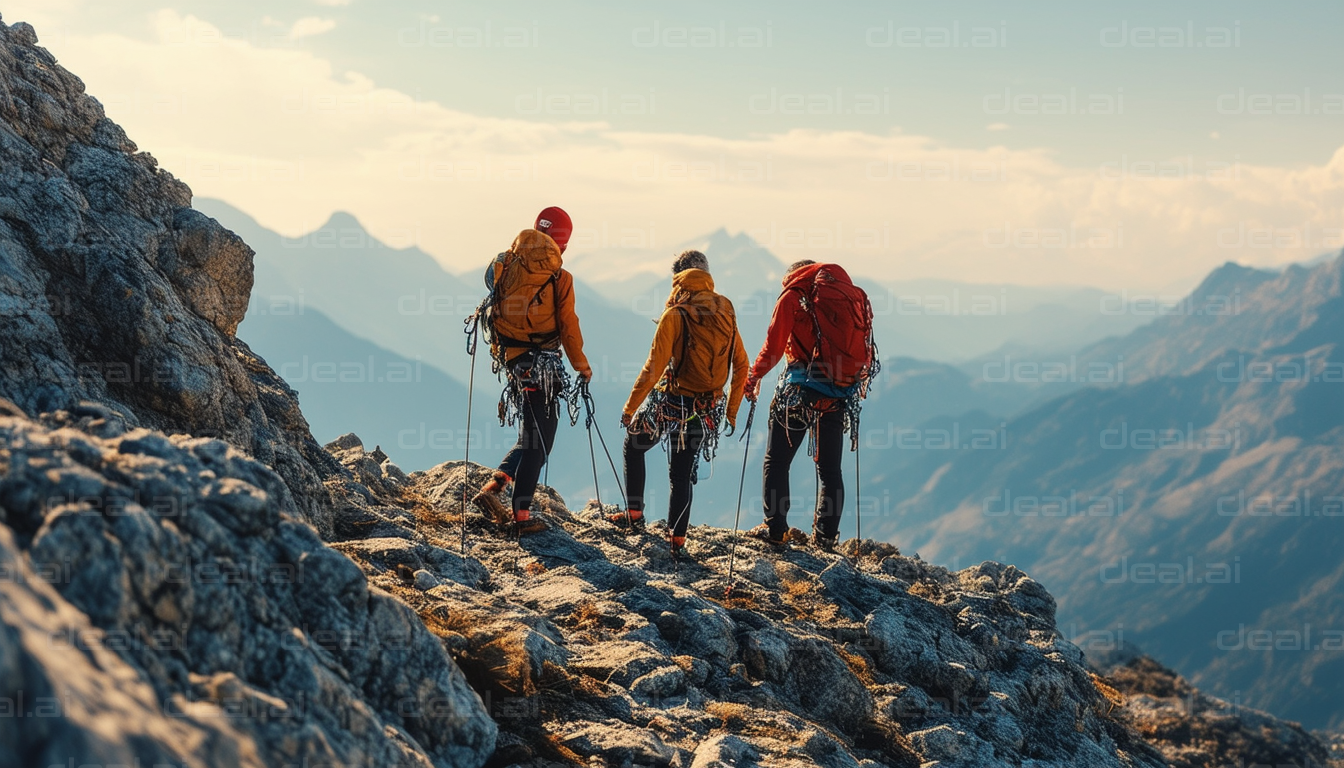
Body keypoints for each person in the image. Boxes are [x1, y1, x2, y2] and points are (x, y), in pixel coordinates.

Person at [610, 250, 749, 557]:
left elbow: (653, 366)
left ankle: (634, 514)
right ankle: (677, 540)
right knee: (681, 473)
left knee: (634, 444)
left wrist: (630, 407)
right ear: (707, 275)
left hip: (671, 402)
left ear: (678, 279)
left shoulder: (676, 313)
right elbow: (741, 364)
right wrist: (732, 411)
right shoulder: (726, 309)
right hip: (707, 408)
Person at [471, 207, 592, 535]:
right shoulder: (560, 278)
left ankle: (494, 487)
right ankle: (520, 516)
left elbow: (490, 291)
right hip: (545, 365)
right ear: (563, 244)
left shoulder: (504, 262)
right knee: (541, 440)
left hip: (512, 359)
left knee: (530, 431)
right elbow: (568, 327)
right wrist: (582, 367)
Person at [744, 259, 878, 551]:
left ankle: (776, 530)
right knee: (830, 470)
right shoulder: (843, 300)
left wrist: (753, 376)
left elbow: (773, 348)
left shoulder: (792, 297)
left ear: (792, 277)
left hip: (799, 391)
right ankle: (826, 537)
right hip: (837, 393)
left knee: (777, 462)